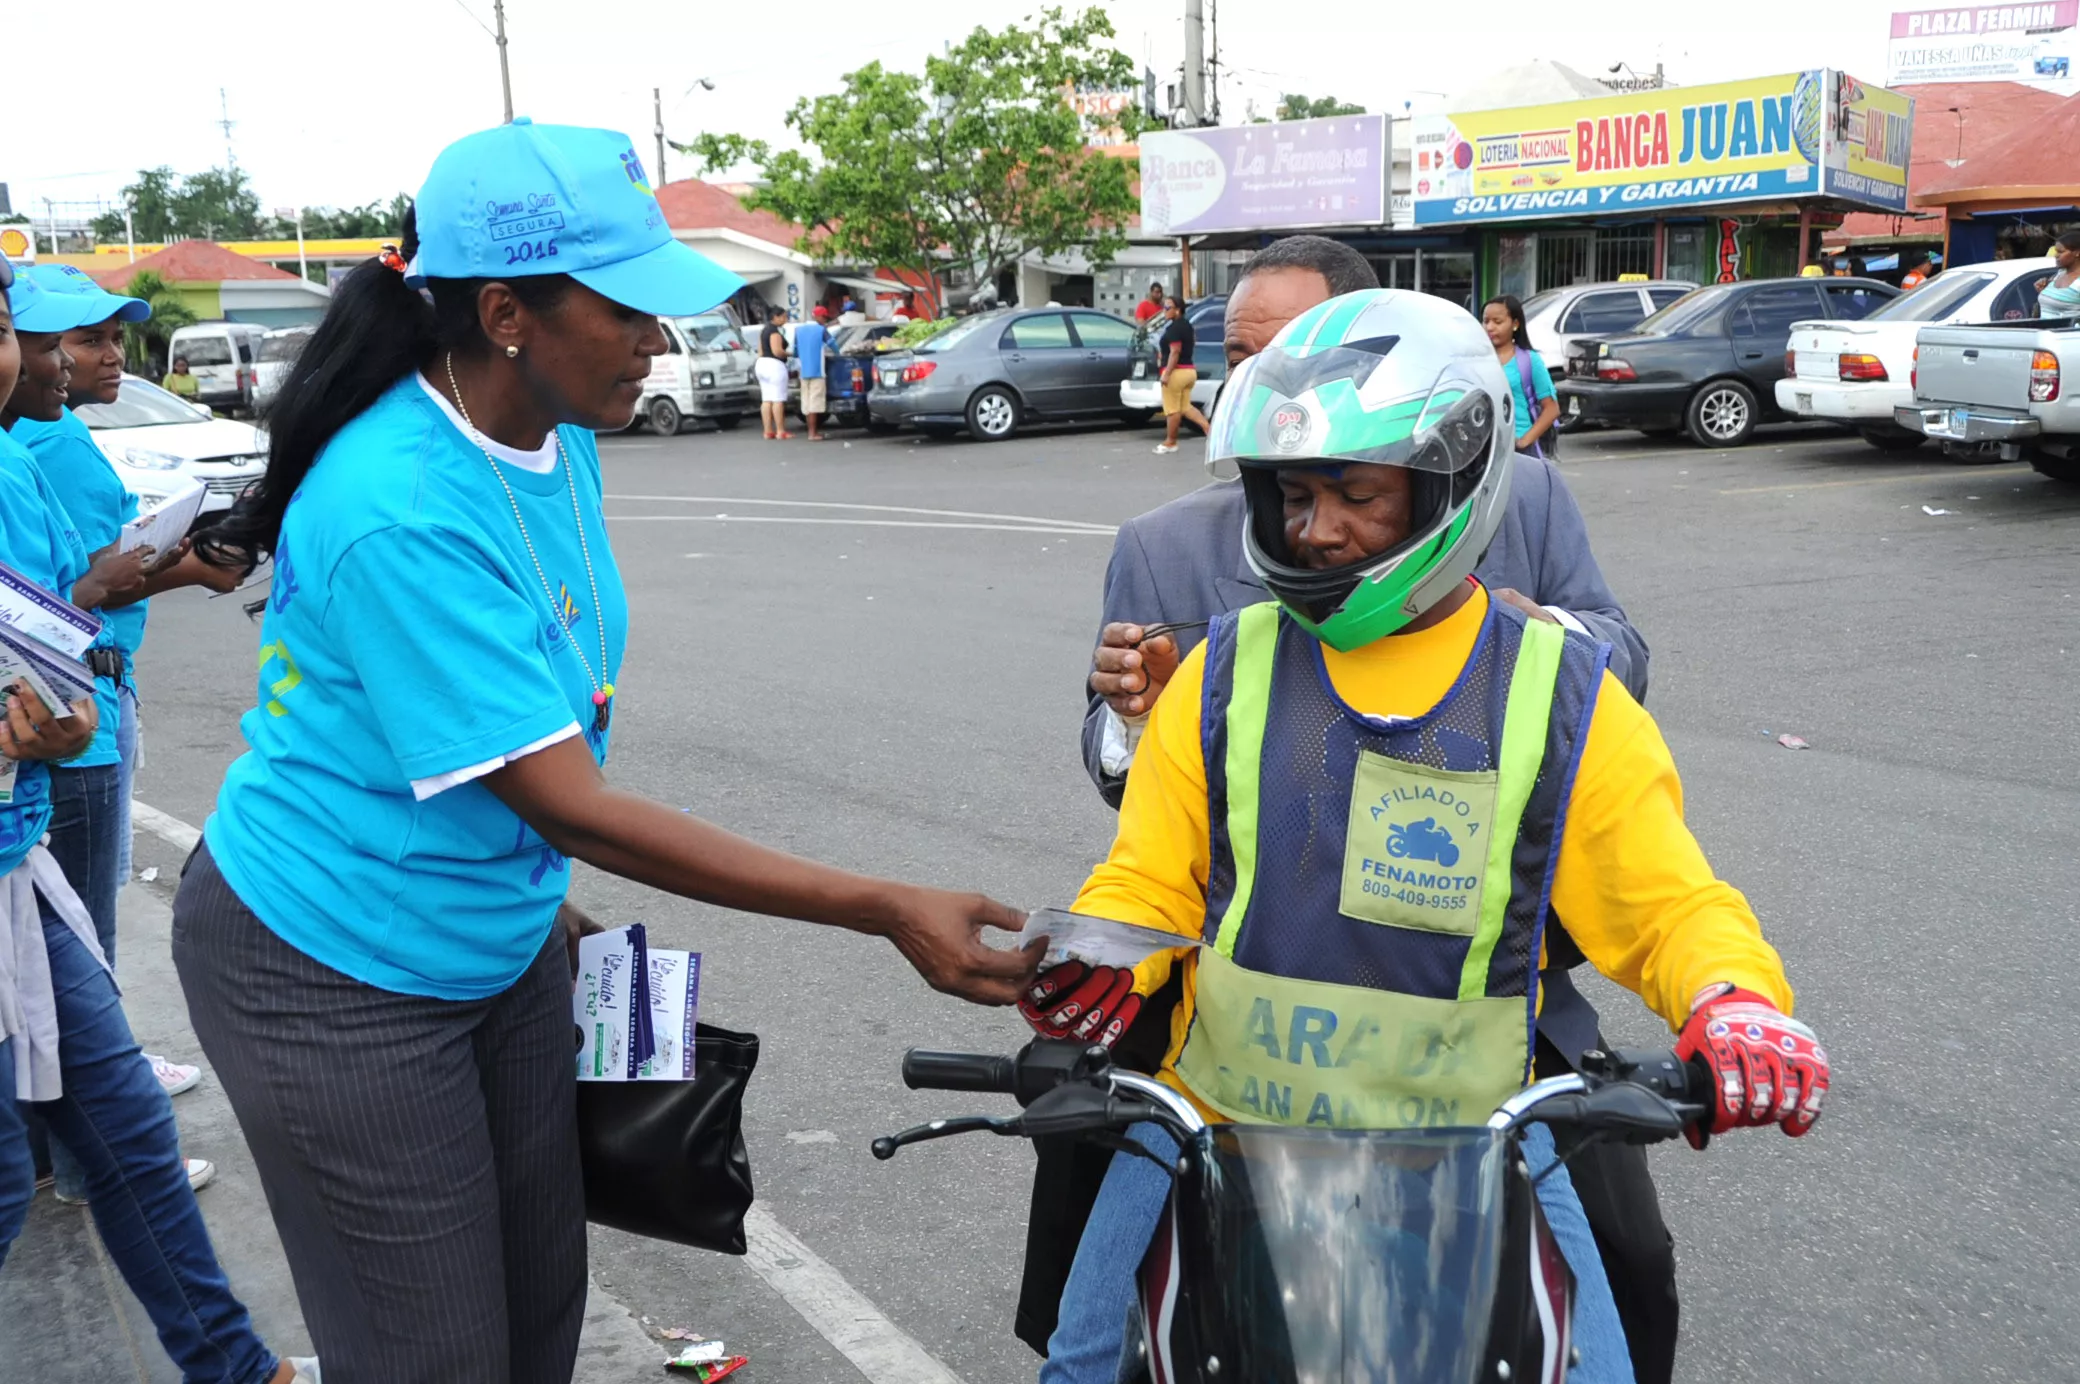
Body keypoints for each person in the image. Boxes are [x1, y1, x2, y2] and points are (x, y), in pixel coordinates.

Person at [172, 121, 1036, 1384]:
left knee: (536, 1330)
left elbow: (518, 714)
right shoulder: (398, 504)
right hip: (328, 964)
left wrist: (524, 886)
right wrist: (884, 905)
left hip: (497, 934)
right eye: (629, 308)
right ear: (508, 312)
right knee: (436, 1358)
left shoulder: (561, 432)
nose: (660, 341)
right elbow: (570, 800)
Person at [1026, 288, 1830, 1384]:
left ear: (1454, 477)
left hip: (1480, 1139)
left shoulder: (1558, 691)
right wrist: (1100, 953)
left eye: (1357, 494)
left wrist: (1736, 1003)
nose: (1317, 530)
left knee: (1597, 1367)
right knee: (1079, 1363)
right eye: (1295, 495)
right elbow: (1150, 880)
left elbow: (1665, 900)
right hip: (1213, 1125)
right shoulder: (1220, 669)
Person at [0, 254, 317, 1384]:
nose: (91, 355)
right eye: (62, 334)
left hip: (15, 857)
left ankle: (239, 1369)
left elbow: (53, 615)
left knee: (126, 1131)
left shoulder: (12, 456)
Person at [6, 263, 244, 1205]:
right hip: (70, 732)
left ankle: (74, 1140)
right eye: (77, 339)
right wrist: (173, 568)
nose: (98, 358)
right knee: (78, 954)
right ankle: (87, 1151)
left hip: (77, 717)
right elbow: (65, 599)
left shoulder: (37, 440)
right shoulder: (34, 448)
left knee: (67, 958)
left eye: (110, 337)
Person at [1482, 293, 1560, 459]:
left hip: (1519, 449)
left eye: (1497, 322)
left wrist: (1524, 441)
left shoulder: (1529, 360)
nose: (1489, 327)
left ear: (1515, 324)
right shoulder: (1477, 360)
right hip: (1485, 447)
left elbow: (1551, 409)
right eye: (1486, 321)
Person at [1151, 297, 1209, 456]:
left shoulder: (1174, 328)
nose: (1164, 310)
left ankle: (1171, 442)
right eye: (1163, 307)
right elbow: (1193, 342)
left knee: (1172, 410)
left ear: (1177, 310)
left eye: (1168, 307)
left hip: (1176, 372)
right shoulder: (1187, 326)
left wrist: (1167, 374)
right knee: (1185, 407)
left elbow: (1175, 352)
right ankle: (1209, 430)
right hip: (1189, 371)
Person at [755, 303, 791, 439]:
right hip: (774, 365)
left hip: (761, 364)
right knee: (777, 399)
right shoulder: (774, 331)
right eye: (783, 317)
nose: (785, 320)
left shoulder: (764, 330)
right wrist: (790, 354)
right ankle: (781, 431)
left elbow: (760, 350)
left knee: (766, 399)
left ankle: (768, 430)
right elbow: (777, 351)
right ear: (775, 317)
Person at [797, 303, 830, 441]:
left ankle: (810, 432)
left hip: (803, 371)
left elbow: (794, 350)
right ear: (819, 317)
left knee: (806, 403)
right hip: (817, 371)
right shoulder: (821, 330)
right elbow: (832, 343)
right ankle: (812, 433)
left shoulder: (799, 329)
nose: (825, 320)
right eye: (825, 318)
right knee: (814, 403)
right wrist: (838, 352)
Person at [2035, 231, 2080, 319]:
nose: (2056, 255)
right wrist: (2044, 291)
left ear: (2077, 253)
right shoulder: (2059, 275)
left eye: (2060, 252)